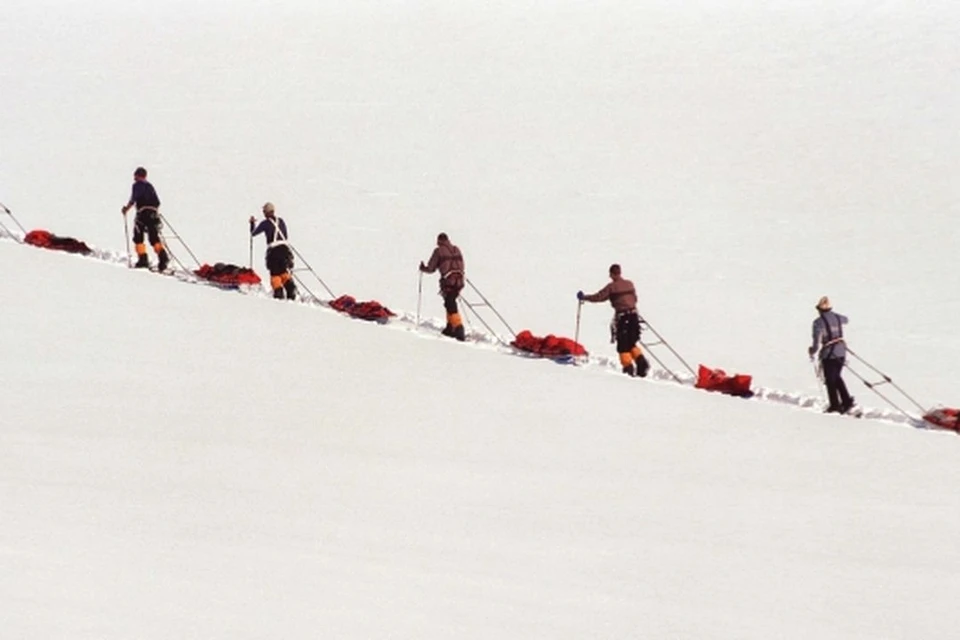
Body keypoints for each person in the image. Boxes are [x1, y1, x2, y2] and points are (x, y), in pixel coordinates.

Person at [578, 264, 650, 377]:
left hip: (623, 318)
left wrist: (584, 297)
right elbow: (635, 299)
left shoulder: (611, 287)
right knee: (632, 342)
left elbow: (599, 297)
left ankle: (628, 368)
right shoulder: (630, 284)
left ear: (611, 274)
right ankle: (642, 364)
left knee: (623, 345)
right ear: (620, 272)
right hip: (634, 316)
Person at [808, 296, 855, 414]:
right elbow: (846, 320)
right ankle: (847, 401)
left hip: (829, 354)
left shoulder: (818, 323)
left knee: (830, 380)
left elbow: (816, 342)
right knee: (837, 377)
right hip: (841, 352)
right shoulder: (839, 318)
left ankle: (835, 406)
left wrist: (812, 351)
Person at [419, 232, 465, 341]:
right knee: (450, 301)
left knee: (450, 302)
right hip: (459, 280)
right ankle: (450, 326)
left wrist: (423, 268)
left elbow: (431, 268)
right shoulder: (456, 249)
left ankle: (458, 327)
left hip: (448, 281)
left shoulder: (438, 251)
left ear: (439, 241)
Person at [121, 167, 168, 271]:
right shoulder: (150, 186)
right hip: (153, 213)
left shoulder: (137, 185)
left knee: (138, 236)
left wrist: (126, 209)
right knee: (153, 237)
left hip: (143, 213)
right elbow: (157, 202)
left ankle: (143, 259)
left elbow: (133, 199)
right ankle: (163, 258)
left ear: (137, 175)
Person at [249, 202, 297, 300]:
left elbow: (253, 233)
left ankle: (278, 293)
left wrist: (252, 224)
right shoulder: (281, 221)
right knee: (283, 271)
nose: (263, 213)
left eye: (264, 211)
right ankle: (290, 288)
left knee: (275, 274)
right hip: (285, 249)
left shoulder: (265, 223)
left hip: (274, 251)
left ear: (266, 212)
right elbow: (285, 235)